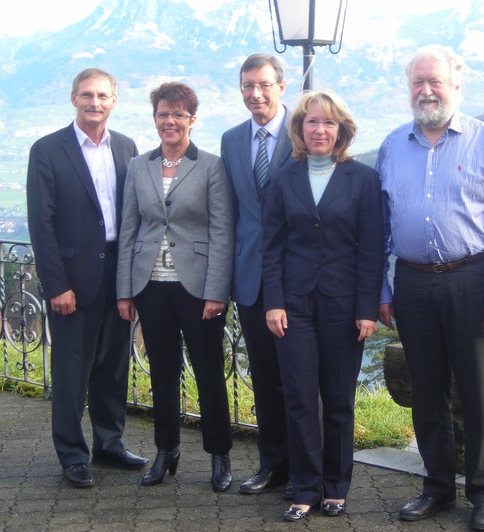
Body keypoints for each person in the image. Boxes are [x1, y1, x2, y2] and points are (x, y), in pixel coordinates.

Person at [376, 45, 484, 531]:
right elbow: (380, 227)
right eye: (418, 82)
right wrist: (384, 289)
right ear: (409, 89)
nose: (426, 91)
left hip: (473, 280)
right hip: (413, 283)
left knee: (479, 393)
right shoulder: (392, 145)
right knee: (427, 393)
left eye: (435, 82)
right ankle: (438, 488)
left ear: (456, 86)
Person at [262, 91, 384, 521]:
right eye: (312, 122)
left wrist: (367, 309)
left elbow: (372, 251)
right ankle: (305, 486)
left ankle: (336, 487)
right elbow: (271, 246)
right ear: (300, 129)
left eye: (329, 123)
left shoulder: (363, 181)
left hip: (343, 305)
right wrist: (273, 302)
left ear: (342, 131)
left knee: (337, 400)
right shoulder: (284, 178)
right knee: (298, 399)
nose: (320, 130)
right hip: (293, 306)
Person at [26, 68, 148, 489]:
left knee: (113, 367)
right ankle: (72, 455)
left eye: (102, 95)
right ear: (73, 98)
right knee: (72, 371)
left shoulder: (128, 147)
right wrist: (56, 285)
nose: (94, 102)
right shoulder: (47, 150)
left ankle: (110, 444)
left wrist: (133, 279)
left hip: (118, 274)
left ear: (114, 100)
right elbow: (41, 225)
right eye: (86, 95)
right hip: (73, 280)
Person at [116, 82, 234, 491]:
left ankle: (220, 456)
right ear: (155, 119)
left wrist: (218, 290)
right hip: (150, 286)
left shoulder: (211, 166)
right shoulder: (138, 166)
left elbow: (222, 232)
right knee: (162, 374)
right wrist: (124, 291)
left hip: (198, 288)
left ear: (192, 120)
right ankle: (165, 452)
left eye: (179, 114)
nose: (170, 121)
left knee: (208, 373)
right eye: (163, 114)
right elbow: (129, 230)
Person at [220, 53, 293, 498]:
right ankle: (272, 466)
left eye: (264, 85)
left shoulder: (304, 131)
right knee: (264, 378)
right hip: (250, 279)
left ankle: (310, 469)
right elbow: (228, 214)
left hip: (297, 279)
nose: (255, 94)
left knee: (302, 378)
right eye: (248, 86)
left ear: (281, 87)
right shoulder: (231, 140)